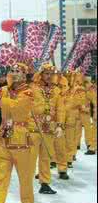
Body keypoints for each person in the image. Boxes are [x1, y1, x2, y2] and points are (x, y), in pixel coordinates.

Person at [0, 63, 34, 203]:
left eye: (19, 71)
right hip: (3, 136)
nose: (14, 73)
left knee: (25, 177)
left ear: (24, 75)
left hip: (21, 138)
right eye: (12, 70)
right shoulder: (3, 90)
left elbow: (17, 108)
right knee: (0, 174)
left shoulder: (28, 92)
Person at [30, 64, 65, 194]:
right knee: (30, 158)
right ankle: (26, 184)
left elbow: (61, 109)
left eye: (51, 74)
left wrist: (60, 125)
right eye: (46, 73)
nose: (49, 76)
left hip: (49, 128)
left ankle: (45, 184)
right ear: (41, 74)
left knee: (46, 158)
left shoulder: (57, 90)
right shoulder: (32, 88)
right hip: (33, 127)